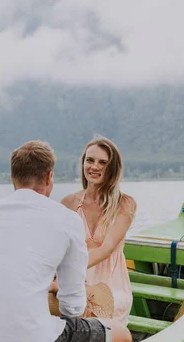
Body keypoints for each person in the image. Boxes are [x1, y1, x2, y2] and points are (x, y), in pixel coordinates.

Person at [0, 140, 131, 342]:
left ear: (12, 178)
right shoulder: (66, 217)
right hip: (30, 336)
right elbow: (73, 308)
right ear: (49, 177)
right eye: (90, 160)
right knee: (121, 333)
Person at [58, 136, 137, 325]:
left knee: (91, 305)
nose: (94, 167)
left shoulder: (124, 204)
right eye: (90, 160)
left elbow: (106, 248)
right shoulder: (68, 203)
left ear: (112, 169)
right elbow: (58, 247)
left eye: (103, 162)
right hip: (77, 281)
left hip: (111, 285)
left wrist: (70, 271)